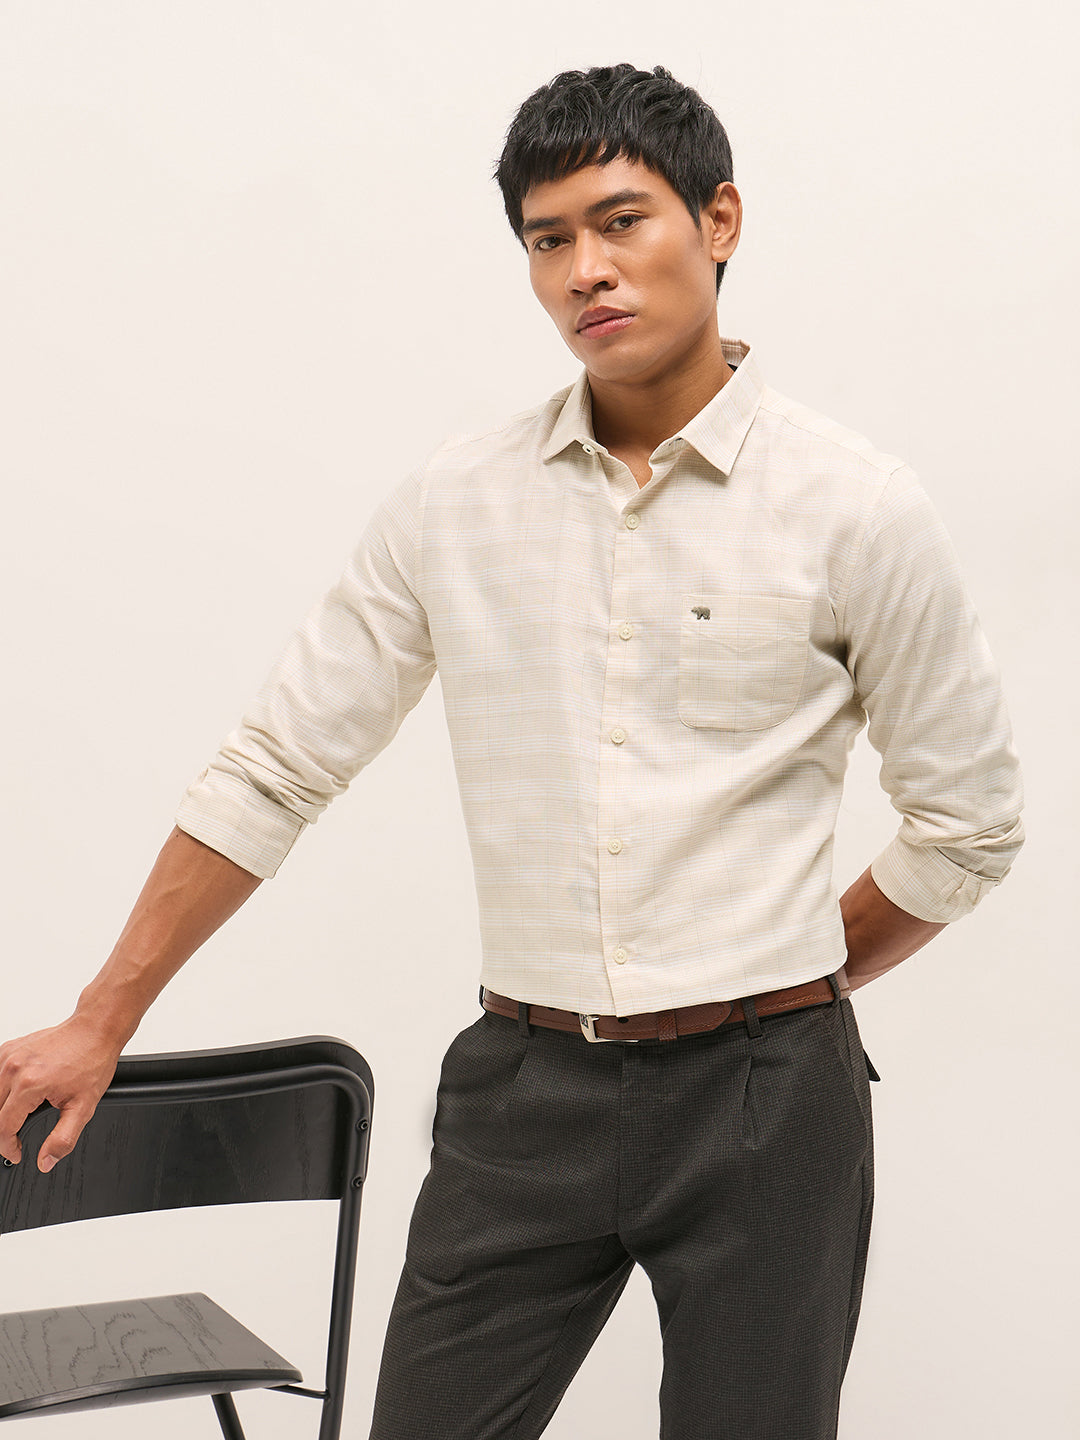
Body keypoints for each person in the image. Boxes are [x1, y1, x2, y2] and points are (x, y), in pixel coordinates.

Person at [0, 63, 1023, 1440]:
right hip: (523, 1092)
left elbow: (969, 826)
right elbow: (275, 766)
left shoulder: (857, 507)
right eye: (549, 240)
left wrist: (787, 968)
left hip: (770, 1104)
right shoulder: (455, 502)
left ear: (719, 219)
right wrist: (102, 1018)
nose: (585, 270)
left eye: (622, 221)